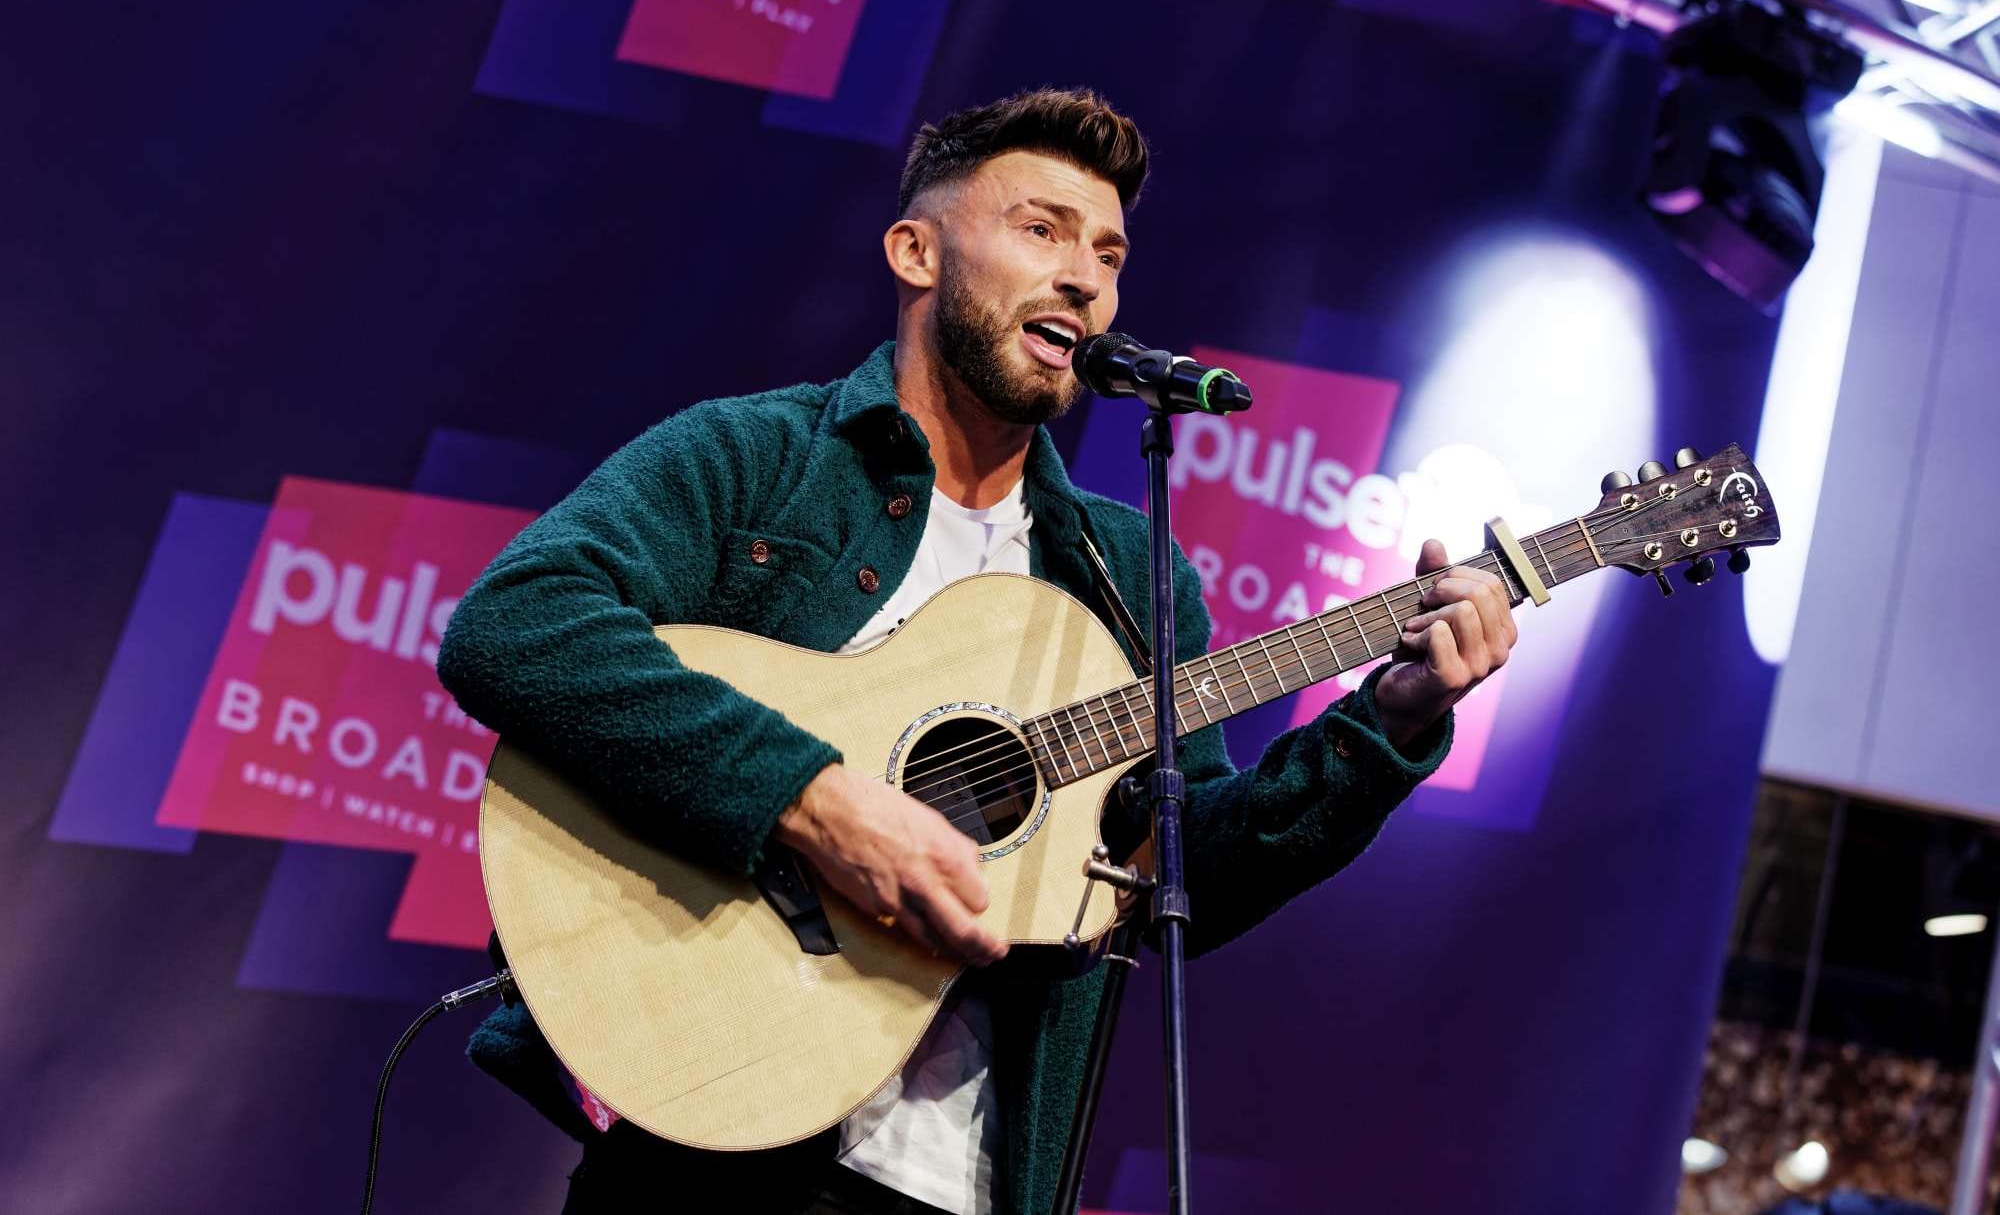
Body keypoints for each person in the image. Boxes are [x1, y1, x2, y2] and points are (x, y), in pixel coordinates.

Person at [436, 87, 1517, 1215]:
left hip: (976, 1187)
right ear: (915, 251)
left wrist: (1385, 722)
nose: (1084, 277)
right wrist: (815, 801)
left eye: (1107, 253)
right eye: (1040, 229)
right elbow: (518, 621)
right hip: (710, 1146)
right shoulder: (756, 455)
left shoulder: (1128, 574)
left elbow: (1185, 879)